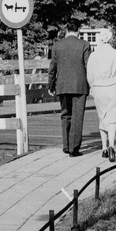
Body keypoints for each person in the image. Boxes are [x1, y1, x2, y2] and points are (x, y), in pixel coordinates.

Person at [86, 28, 116, 162]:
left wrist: (93, 87)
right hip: (114, 86)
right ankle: (111, 146)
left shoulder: (93, 55)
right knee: (113, 118)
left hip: (99, 87)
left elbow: (90, 75)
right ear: (110, 39)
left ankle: (104, 147)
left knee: (102, 116)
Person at [49, 26, 91, 156]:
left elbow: (52, 67)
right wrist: (91, 84)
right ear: (78, 31)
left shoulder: (57, 45)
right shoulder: (84, 44)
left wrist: (51, 85)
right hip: (79, 85)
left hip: (62, 85)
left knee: (65, 114)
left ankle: (66, 145)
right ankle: (74, 148)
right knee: (77, 117)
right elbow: (88, 65)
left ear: (66, 30)